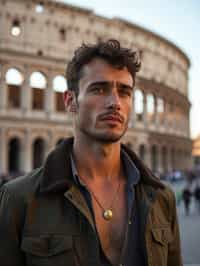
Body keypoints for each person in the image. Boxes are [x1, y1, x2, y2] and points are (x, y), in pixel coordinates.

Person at [0, 39, 182, 266]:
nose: (114, 102)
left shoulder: (162, 198)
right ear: (70, 100)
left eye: (124, 92)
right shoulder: (18, 199)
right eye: (99, 89)